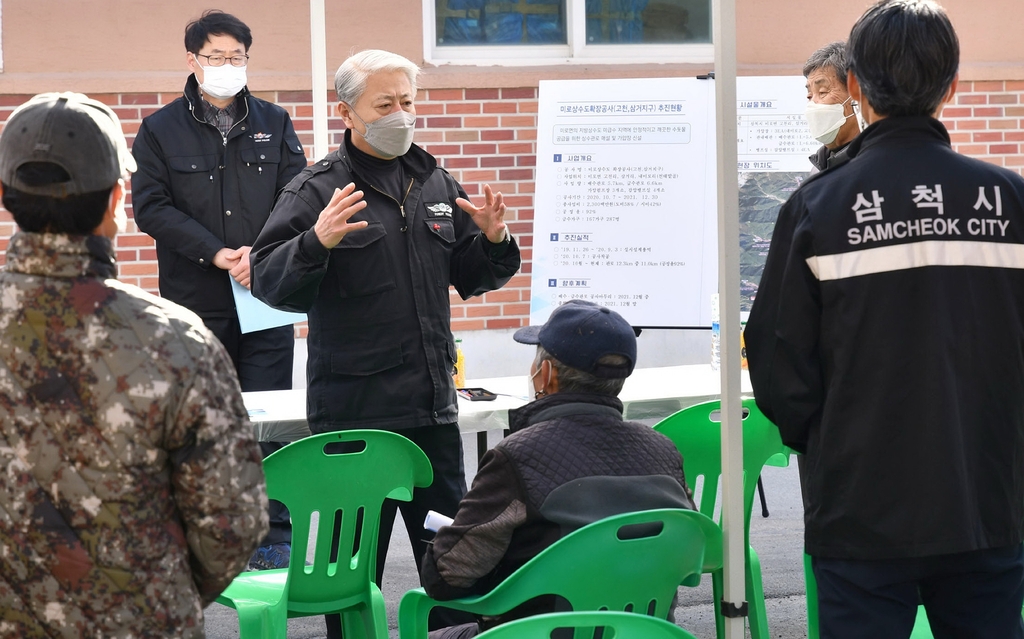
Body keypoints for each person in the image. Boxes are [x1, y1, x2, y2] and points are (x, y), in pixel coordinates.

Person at [745, 1, 1024, 636]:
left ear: (854, 89)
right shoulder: (1009, 200)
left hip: (859, 511)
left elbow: (776, 362)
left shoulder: (818, 208)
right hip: (988, 501)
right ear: (952, 86)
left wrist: (830, 442)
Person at [249, 49, 521, 636]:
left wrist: (495, 240)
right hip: (357, 420)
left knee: (454, 565)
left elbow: (471, 275)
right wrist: (314, 243)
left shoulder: (435, 181)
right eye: (385, 105)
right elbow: (269, 280)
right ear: (346, 111)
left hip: (431, 412)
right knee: (353, 578)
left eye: (407, 102)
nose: (400, 114)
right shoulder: (317, 189)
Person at [0, 92, 268, 636]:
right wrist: (153, 592)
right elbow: (233, 524)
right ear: (117, 200)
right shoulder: (175, 339)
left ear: (5, 196)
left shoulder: (177, 337)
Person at [131, 9, 306, 571]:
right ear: (192, 60)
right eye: (215, 57)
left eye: (237, 57)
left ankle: (271, 533)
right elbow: (151, 207)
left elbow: (297, 195)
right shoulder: (159, 129)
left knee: (269, 414)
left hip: (266, 291)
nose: (227, 66)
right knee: (204, 417)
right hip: (196, 298)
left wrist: (262, 252)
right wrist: (215, 251)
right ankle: (206, 535)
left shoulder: (276, 123)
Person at [420, 300, 695, 638]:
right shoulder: (664, 452)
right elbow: (688, 559)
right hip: (644, 632)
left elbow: (447, 575)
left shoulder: (518, 456)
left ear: (546, 374)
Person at [804, 41, 861, 172]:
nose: (813, 103)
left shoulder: (877, 162)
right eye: (809, 95)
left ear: (856, 93)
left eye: (822, 92)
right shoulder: (818, 168)